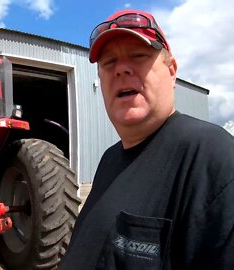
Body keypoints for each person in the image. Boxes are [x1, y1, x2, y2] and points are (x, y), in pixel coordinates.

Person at [59, 9, 234, 270]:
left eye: (138, 56)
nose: (121, 69)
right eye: (108, 62)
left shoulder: (211, 156)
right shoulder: (110, 159)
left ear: (171, 70)